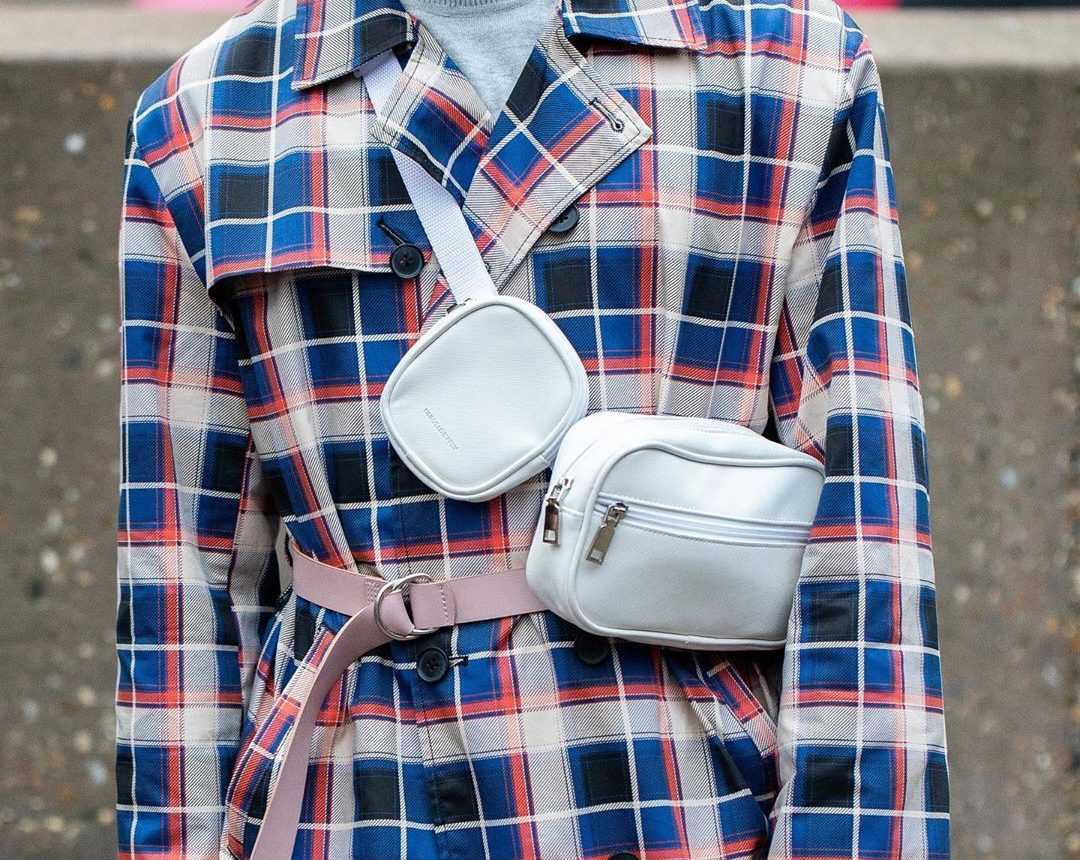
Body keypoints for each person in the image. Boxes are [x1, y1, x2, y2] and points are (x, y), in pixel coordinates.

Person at [114, 0, 949, 856]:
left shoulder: (786, 64)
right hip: (358, 792)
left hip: (678, 787)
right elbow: (180, 575)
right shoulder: (207, 113)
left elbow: (863, 524)